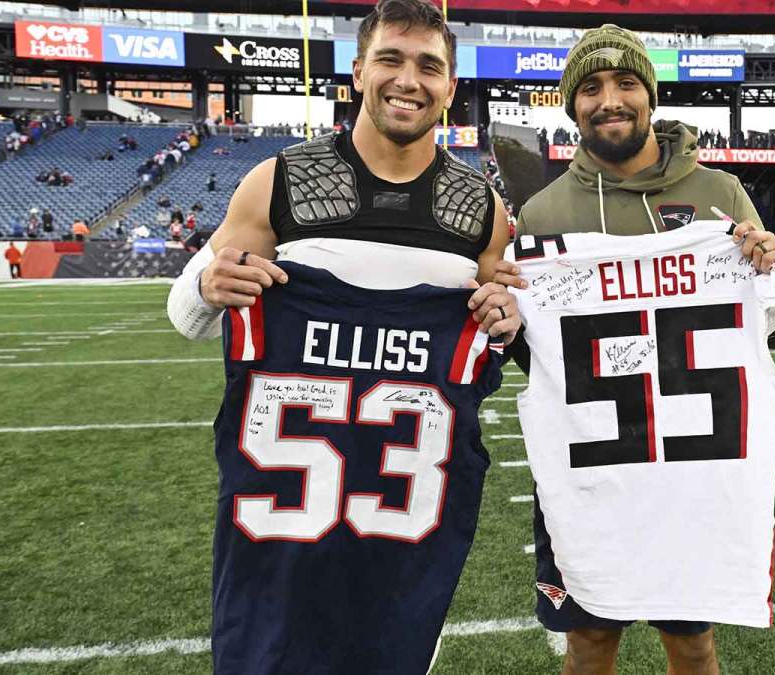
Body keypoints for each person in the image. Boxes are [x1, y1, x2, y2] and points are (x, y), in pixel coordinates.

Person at [165, 1, 523, 672]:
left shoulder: (480, 210)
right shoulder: (278, 184)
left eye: (429, 67)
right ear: (358, 71)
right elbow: (186, 315)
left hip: (403, 533)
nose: (408, 80)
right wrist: (204, 288)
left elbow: (487, 345)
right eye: (390, 59)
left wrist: (504, 323)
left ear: (450, 87)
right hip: (283, 533)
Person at [511, 23, 775, 675]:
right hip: (589, 472)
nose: (608, 99)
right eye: (590, 87)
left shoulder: (717, 194)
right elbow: (536, 359)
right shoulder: (542, 216)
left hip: (691, 469)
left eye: (624, 83)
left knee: (692, 643)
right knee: (589, 642)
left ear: (650, 94)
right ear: (572, 104)